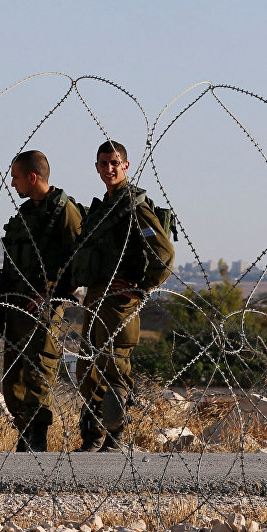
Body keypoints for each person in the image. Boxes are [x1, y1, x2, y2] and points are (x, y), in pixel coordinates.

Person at [70, 140, 174, 452]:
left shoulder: (133, 205)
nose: (110, 169)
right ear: (97, 167)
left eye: (115, 163)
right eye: (104, 163)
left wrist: (141, 286)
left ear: (125, 166)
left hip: (119, 300)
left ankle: (114, 437)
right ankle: (92, 437)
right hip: (97, 297)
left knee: (114, 366)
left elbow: (164, 252)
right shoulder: (105, 206)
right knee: (88, 368)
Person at [0, 150, 83, 452]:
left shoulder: (64, 211)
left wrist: (49, 295)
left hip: (43, 308)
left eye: (16, 177)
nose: (12, 183)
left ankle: (37, 436)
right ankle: (24, 430)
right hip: (16, 306)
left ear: (32, 177)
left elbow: (78, 261)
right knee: (12, 380)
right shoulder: (26, 213)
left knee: (39, 374)